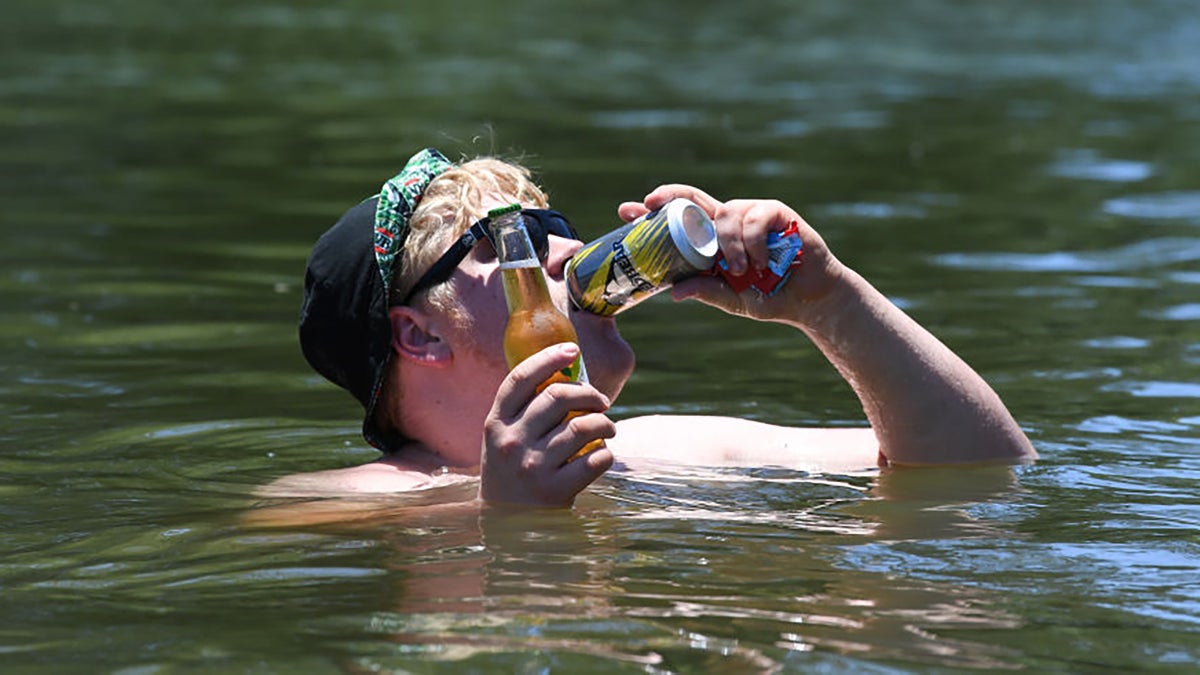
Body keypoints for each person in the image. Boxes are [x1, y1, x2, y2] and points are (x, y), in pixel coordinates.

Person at [265, 148, 1035, 507]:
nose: (568, 249)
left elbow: (985, 471)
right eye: (513, 240)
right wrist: (510, 522)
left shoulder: (667, 447)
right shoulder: (353, 500)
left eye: (554, 223)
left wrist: (828, 303)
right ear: (420, 335)